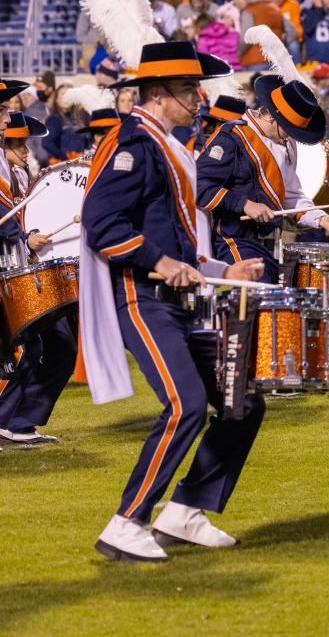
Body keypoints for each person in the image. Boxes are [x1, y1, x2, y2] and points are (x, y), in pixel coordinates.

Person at [77, 34, 265, 561]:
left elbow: (175, 240)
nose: (198, 100)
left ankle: (186, 510)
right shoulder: (134, 144)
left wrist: (226, 268)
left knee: (241, 402)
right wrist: (160, 264)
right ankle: (126, 520)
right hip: (142, 297)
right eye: (189, 89)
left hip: (175, 299)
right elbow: (101, 225)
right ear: (156, 93)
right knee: (186, 404)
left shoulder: (165, 145)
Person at [198, 35, 329, 283]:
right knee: (257, 304)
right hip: (235, 239)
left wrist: (322, 219)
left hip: (270, 242)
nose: (291, 138)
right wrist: (244, 204)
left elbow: (292, 196)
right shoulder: (232, 137)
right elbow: (200, 186)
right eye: (289, 130)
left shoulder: (286, 143)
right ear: (271, 117)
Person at [0, 106, 74, 446]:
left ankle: (19, 422)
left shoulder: (20, 178)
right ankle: (10, 421)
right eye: (21, 144)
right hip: (8, 274)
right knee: (36, 347)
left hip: (23, 271)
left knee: (59, 346)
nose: (26, 151)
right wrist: (22, 237)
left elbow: (26, 218)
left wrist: (32, 235)